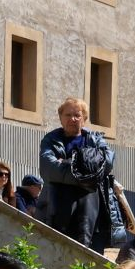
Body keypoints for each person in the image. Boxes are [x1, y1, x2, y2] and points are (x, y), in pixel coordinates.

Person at [40, 97, 117, 249]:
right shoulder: (50, 140)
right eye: (68, 115)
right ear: (61, 118)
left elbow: (108, 163)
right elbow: (49, 169)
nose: (72, 119)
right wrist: (86, 171)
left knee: (87, 252)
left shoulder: (96, 139)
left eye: (77, 115)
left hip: (91, 209)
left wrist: (65, 162)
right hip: (58, 207)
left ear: (84, 119)